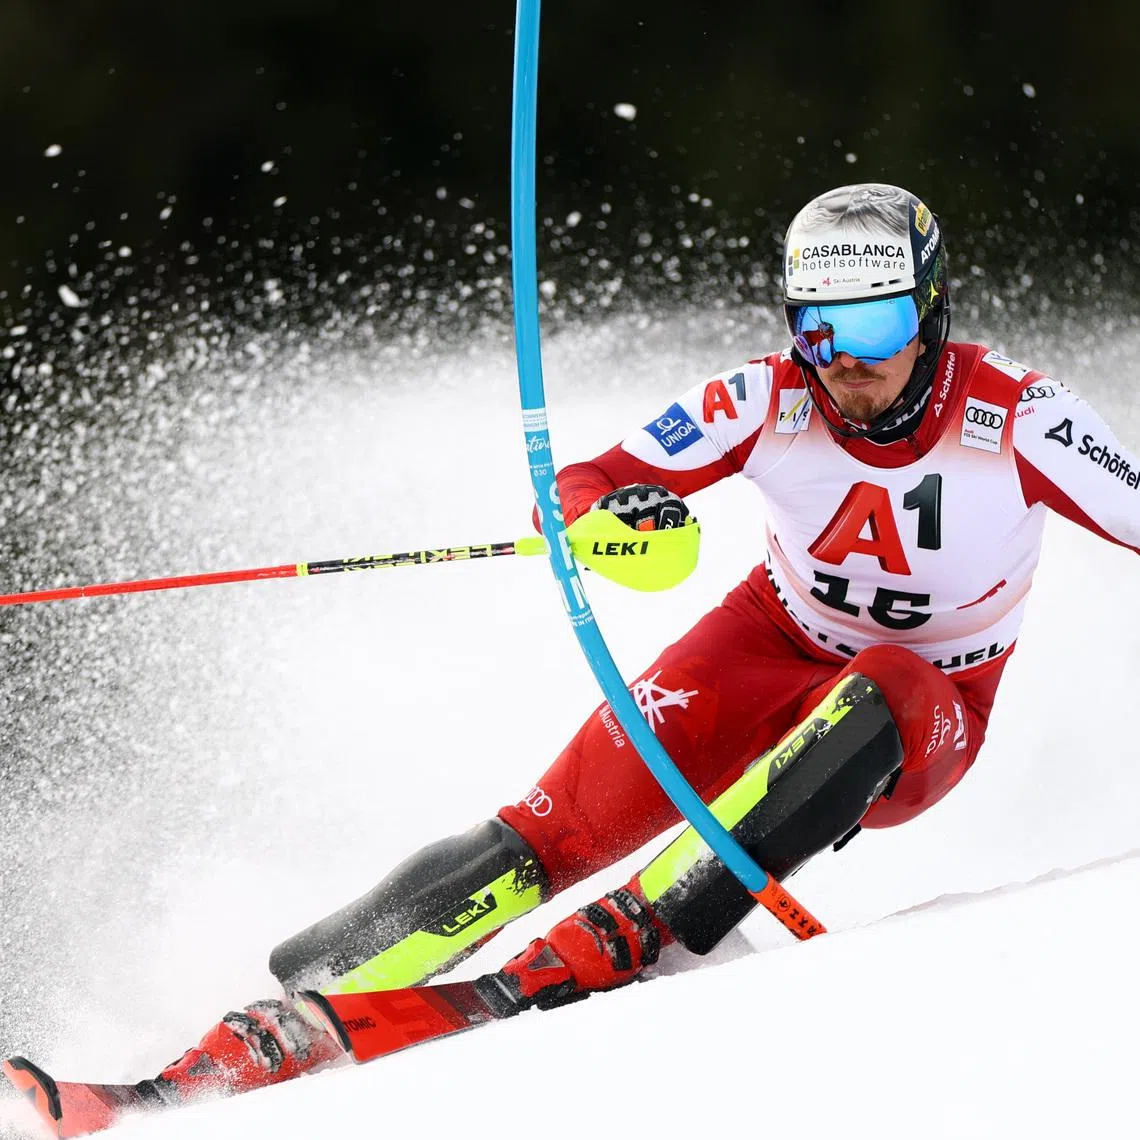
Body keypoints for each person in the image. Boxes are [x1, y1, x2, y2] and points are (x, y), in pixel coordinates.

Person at [42, 182, 1140, 1105]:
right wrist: (602, 520)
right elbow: (587, 481)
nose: (847, 364)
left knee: (885, 681)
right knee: (547, 829)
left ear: (931, 312)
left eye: (876, 329)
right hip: (764, 644)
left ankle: (638, 930)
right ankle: (250, 1032)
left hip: (925, 707)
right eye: (819, 330)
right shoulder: (768, 397)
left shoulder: (1024, 416)